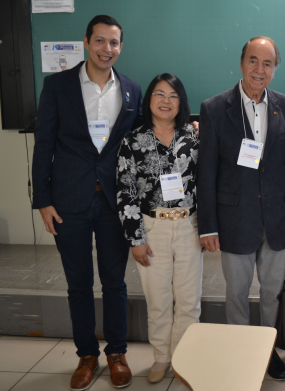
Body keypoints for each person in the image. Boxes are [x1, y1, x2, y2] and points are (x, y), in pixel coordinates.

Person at [32, 15, 141, 391]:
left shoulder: (131, 90)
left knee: (115, 283)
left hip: (113, 202)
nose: (106, 49)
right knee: (78, 284)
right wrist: (42, 200)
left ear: (120, 47)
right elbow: (43, 144)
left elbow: (138, 141)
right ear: (86, 42)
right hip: (68, 201)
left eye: (113, 43)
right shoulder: (57, 86)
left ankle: (117, 353)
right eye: (99, 41)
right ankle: (86, 355)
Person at [197, 36, 285, 381]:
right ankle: (241, 352)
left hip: (277, 219)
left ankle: (267, 351)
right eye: (253, 61)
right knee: (237, 294)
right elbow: (206, 171)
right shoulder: (213, 108)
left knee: (271, 293)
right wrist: (208, 226)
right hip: (234, 219)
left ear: (275, 69)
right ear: (241, 64)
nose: (260, 69)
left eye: (267, 63)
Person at [116, 73, 203, 383]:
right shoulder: (133, 140)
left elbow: (208, 183)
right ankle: (161, 358)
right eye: (159, 94)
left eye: (173, 95)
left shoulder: (194, 138)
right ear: (148, 100)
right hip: (152, 228)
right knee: (159, 300)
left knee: (189, 300)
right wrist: (135, 238)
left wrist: (207, 229)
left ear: (182, 102)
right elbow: (125, 190)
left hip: (189, 226)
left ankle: (183, 358)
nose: (166, 101)